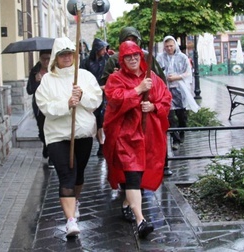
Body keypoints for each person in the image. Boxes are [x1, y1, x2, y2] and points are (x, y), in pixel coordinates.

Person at [35, 37, 103, 238]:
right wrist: (67, 104)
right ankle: (70, 220)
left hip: (81, 133)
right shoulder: (48, 80)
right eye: (62, 54)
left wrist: (82, 96)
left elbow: (95, 101)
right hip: (58, 136)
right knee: (66, 176)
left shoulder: (85, 76)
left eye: (70, 53)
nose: (67, 57)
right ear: (56, 57)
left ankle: (75, 201)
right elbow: (45, 106)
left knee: (78, 174)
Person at [103, 41, 171, 239]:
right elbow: (115, 100)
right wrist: (137, 90)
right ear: (122, 59)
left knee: (139, 177)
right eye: (128, 56)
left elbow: (165, 98)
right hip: (127, 137)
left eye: (136, 55)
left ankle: (127, 203)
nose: (132, 59)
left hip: (148, 136)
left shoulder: (152, 78)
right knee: (132, 176)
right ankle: (141, 220)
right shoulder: (116, 78)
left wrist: (154, 107)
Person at [156, 36, 199, 151]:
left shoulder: (182, 57)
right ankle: (175, 139)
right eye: (167, 46)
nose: (169, 48)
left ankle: (181, 134)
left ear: (175, 45)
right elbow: (156, 72)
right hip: (166, 91)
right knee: (170, 116)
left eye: (171, 46)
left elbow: (188, 73)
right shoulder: (160, 58)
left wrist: (177, 77)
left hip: (180, 90)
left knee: (182, 115)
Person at [81, 38, 109, 156]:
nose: (104, 51)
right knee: (95, 119)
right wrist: (96, 88)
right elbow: (83, 77)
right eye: (102, 48)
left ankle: (102, 144)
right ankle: (98, 143)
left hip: (105, 94)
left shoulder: (106, 60)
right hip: (92, 93)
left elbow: (109, 72)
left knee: (102, 119)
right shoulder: (86, 62)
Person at [26, 49, 52, 166]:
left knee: (51, 130)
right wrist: (37, 82)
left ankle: (52, 155)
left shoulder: (55, 70)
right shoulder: (35, 71)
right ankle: (46, 146)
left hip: (52, 105)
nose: (46, 61)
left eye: (48, 58)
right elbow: (29, 90)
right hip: (39, 106)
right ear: (40, 58)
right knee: (42, 131)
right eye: (44, 58)